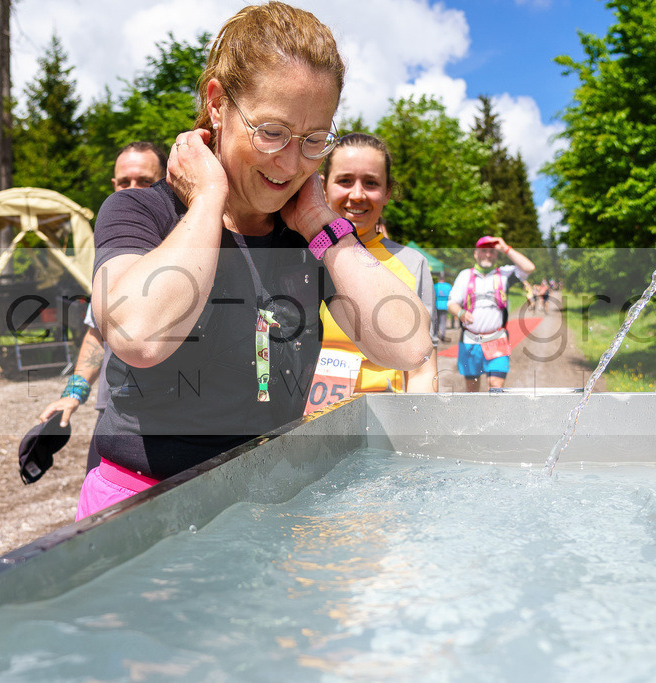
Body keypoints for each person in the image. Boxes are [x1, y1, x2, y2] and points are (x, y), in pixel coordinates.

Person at [78, 2, 431, 519]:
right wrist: (207, 201)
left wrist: (322, 228)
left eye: (314, 141)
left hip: (264, 505)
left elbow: (408, 346)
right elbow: (140, 335)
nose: (290, 164)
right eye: (271, 132)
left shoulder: (307, 237)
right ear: (217, 104)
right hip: (144, 504)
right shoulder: (139, 210)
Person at [37, 142, 167, 466]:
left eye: (145, 182)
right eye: (124, 183)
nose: (132, 192)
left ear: (166, 182)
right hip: (113, 412)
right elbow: (97, 331)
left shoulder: (187, 240)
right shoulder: (114, 247)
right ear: (113, 185)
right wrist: (73, 394)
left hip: (175, 417)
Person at [304, 133, 437, 413]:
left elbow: (423, 371)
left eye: (371, 183)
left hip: (378, 435)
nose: (357, 194)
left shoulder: (412, 263)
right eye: (345, 180)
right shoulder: (297, 255)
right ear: (323, 187)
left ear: (388, 192)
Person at [447, 235, 535, 392]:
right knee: (472, 390)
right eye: (484, 251)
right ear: (476, 253)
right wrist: (460, 313)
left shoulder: (504, 274)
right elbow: (451, 303)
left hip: (497, 339)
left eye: (492, 252)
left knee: (495, 387)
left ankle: (493, 417)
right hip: (470, 340)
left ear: (496, 255)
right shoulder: (465, 275)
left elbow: (528, 268)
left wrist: (506, 248)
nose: (488, 254)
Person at [435, 272, 452, 342]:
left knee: (436, 321)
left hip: (436, 305)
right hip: (444, 305)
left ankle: (435, 334)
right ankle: (442, 335)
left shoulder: (434, 286)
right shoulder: (448, 286)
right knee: (443, 321)